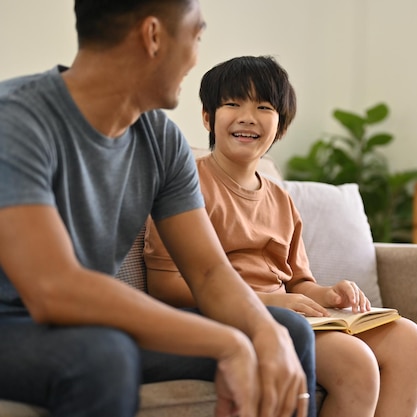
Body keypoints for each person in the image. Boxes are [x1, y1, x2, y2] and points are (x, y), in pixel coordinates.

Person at [0, 3, 317, 417]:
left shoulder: (161, 140)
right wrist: (228, 341)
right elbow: (54, 290)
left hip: (89, 327)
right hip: (13, 326)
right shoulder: (18, 120)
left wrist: (261, 332)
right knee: (102, 354)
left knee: (286, 331)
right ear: (153, 36)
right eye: (196, 36)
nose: (196, 57)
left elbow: (209, 272)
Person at [144, 55, 417, 417]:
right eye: (232, 104)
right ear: (207, 117)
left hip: (287, 313)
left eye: (263, 106)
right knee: (356, 363)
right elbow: (166, 287)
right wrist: (268, 303)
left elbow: (297, 282)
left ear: (280, 127)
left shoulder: (280, 199)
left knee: (408, 340)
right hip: (227, 315)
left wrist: (327, 294)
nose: (247, 116)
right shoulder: (187, 186)